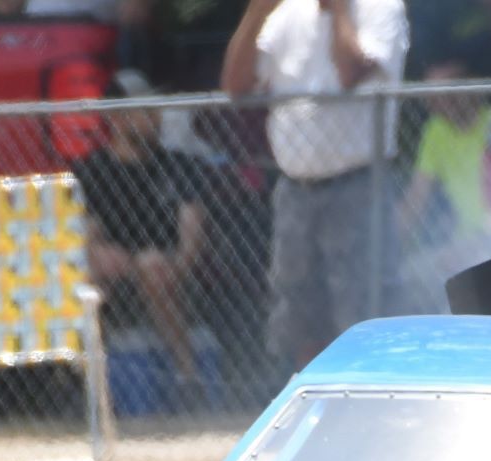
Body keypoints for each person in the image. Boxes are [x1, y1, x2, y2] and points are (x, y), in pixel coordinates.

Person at [222, 0, 409, 370]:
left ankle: (367, 404)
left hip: (357, 188)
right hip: (296, 189)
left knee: (363, 313)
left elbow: (349, 73)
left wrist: (339, 12)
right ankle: (313, 406)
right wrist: (256, 12)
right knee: (299, 317)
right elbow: (236, 85)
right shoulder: (287, 12)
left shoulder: (382, 7)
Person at [73, 72, 210, 396]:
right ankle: (94, 385)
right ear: (118, 119)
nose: (156, 118)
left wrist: (179, 265)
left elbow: (193, 231)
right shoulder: (93, 169)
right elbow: (85, 234)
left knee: (153, 266)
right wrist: (100, 254)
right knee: (94, 270)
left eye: (155, 109)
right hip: (118, 270)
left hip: (168, 270)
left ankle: (187, 377)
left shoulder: (179, 164)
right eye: (145, 111)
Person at [400, 59, 491, 304]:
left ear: (471, 87)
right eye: (432, 96)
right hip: (459, 244)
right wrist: (387, 247)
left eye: (448, 94)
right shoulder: (436, 130)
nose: (438, 103)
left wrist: (475, 247)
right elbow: (416, 199)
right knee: (407, 276)